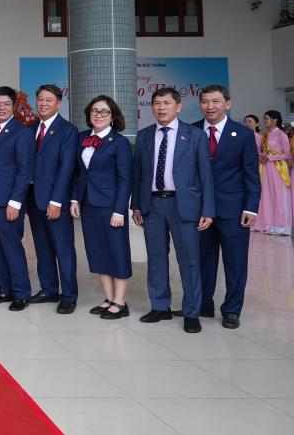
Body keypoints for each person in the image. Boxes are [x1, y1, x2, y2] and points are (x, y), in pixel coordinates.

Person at [132, 87, 215, 334]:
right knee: (156, 258)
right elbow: (139, 175)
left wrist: (208, 210)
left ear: (178, 107)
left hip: (184, 204)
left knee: (189, 260)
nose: (161, 107)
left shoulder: (194, 135)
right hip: (153, 204)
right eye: (157, 103)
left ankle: (191, 312)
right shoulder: (145, 135)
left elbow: (206, 175)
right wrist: (136, 204)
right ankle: (160, 306)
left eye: (166, 103)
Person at [190, 85, 260, 329]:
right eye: (205, 101)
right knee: (202, 260)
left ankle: (231, 310)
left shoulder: (242, 134)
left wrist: (251, 208)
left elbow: (251, 174)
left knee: (235, 262)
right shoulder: (192, 131)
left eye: (216, 101)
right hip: (200, 210)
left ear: (227, 104)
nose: (210, 106)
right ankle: (202, 304)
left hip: (233, 209)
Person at [70, 96, 133, 320]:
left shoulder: (120, 143)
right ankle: (108, 298)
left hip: (110, 206)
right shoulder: (81, 139)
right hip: (88, 204)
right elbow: (79, 174)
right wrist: (75, 199)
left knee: (117, 251)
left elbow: (126, 179)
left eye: (104, 112)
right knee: (97, 252)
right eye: (95, 111)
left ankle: (121, 301)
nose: (98, 115)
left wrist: (119, 210)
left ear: (113, 117)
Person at [0, 86, 34, 311]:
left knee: (12, 247)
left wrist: (15, 202)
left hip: (8, 202)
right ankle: (4, 289)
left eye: (6, 104)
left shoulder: (22, 133)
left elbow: (25, 170)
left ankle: (21, 293)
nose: (1, 108)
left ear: (14, 107)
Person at [26, 84, 79, 314]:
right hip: (33, 199)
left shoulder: (68, 130)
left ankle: (69, 295)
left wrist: (57, 201)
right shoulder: (30, 128)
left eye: (49, 100)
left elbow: (67, 167)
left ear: (59, 103)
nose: (43, 104)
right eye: (40, 99)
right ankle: (49, 289)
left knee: (63, 248)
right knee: (42, 247)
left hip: (55, 201)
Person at [254, 110, 293, 236]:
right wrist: (261, 156)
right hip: (266, 168)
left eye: (266, 118)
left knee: (279, 195)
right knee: (268, 195)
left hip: (278, 168)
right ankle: (270, 225)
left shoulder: (281, 134)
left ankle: (283, 227)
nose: (264, 121)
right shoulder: (265, 135)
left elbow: (288, 154)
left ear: (274, 120)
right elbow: (263, 151)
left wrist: (271, 157)